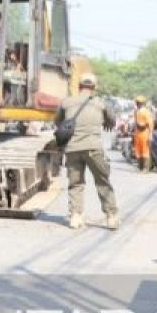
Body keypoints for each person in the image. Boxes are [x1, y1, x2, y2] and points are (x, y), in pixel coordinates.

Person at [55, 72, 118, 230]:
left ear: (79, 86)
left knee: (76, 184)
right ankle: (111, 217)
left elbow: (58, 121)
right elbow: (112, 121)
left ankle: (75, 217)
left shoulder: (67, 102)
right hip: (93, 149)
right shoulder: (100, 103)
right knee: (103, 182)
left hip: (73, 149)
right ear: (94, 87)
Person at [132, 95, 153, 172]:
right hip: (138, 133)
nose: (138, 104)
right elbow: (135, 123)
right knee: (138, 151)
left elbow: (150, 124)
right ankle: (140, 167)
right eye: (137, 102)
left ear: (143, 103)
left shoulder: (146, 112)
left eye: (139, 102)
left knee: (145, 151)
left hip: (144, 133)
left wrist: (150, 135)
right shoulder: (136, 111)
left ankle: (145, 168)